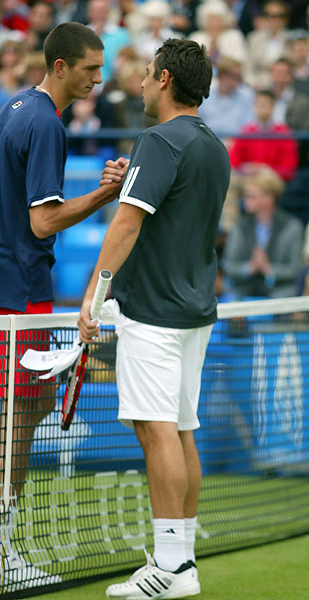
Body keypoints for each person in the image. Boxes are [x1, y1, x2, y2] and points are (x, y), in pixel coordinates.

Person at [0, 21, 124, 593]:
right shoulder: (45, 123)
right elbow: (43, 220)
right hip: (12, 289)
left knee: (30, 403)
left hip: (7, 282)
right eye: (90, 68)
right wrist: (104, 194)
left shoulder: (14, 106)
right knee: (21, 412)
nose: (98, 78)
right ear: (60, 66)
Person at [78, 38, 230, 599]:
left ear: (164, 79)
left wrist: (93, 293)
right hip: (194, 313)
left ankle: (168, 565)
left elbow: (126, 225)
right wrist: (136, 175)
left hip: (154, 313)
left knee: (156, 429)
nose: (140, 82)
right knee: (181, 429)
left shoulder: (158, 139)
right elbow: (174, 207)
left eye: (147, 73)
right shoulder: (213, 146)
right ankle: (182, 564)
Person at [223, 167, 304, 299]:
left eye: (251, 196)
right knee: (231, 297)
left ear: (269, 198)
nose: (245, 199)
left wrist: (268, 269)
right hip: (244, 289)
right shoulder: (239, 227)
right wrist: (249, 268)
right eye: (245, 195)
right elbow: (229, 266)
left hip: (279, 291)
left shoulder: (292, 227)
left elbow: (294, 269)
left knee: (285, 297)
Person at [228, 88, 299, 182]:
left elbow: (289, 166)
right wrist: (246, 169)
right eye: (260, 104)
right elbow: (234, 161)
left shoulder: (284, 133)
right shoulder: (245, 133)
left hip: (274, 181)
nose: (263, 108)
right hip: (248, 180)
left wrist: (267, 170)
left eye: (266, 104)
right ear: (254, 106)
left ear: (273, 107)